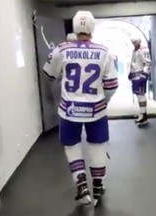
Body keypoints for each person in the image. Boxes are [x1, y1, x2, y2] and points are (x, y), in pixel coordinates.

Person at [43, 11, 118, 206]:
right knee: (98, 146)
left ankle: (81, 185)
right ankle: (98, 186)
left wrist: (61, 74)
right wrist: (104, 101)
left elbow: (49, 75)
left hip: (69, 108)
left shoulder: (62, 49)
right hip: (97, 109)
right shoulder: (104, 52)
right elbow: (111, 85)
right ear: (92, 28)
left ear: (74, 29)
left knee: (72, 145)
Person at [128, 38, 151, 126]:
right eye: (132, 42)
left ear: (139, 41)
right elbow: (134, 63)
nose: (134, 43)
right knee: (138, 95)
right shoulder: (135, 50)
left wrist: (144, 75)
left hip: (140, 75)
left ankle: (143, 114)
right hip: (135, 75)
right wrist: (131, 72)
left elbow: (148, 62)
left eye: (135, 41)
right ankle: (142, 113)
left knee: (141, 94)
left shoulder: (143, 49)